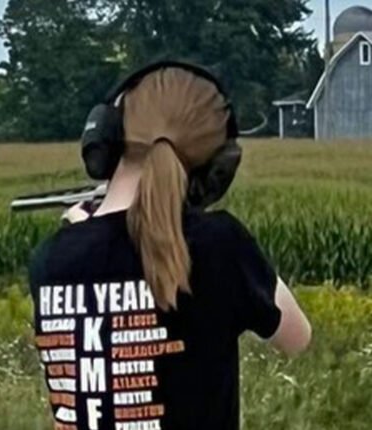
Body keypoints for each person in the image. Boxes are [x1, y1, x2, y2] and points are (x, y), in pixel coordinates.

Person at [28, 64, 311, 430]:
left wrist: (86, 230)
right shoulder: (219, 245)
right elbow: (297, 338)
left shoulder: (50, 260)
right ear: (213, 168)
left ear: (108, 135)